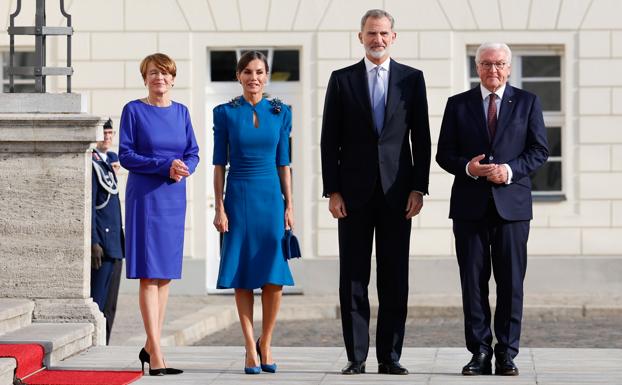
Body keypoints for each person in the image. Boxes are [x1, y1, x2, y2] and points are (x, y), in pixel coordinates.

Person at [320, 9, 431, 376]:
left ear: (393, 37)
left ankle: (390, 356)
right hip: (352, 195)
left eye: (383, 33)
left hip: (399, 194)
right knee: (353, 276)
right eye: (371, 33)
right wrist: (332, 191)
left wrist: (419, 187)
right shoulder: (342, 80)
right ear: (360, 37)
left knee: (394, 276)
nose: (377, 39)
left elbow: (422, 138)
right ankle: (356, 356)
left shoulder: (412, 80)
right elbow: (328, 141)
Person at [436, 42, 549, 376]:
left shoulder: (528, 102)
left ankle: (507, 353)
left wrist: (510, 170)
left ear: (509, 67)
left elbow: (539, 149)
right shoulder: (458, 105)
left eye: (499, 64)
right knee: (472, 282)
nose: (493, 70)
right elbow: (444, 153)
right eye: (486, 64)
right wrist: (468, 168)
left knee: (511, 282)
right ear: (477, 67)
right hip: (469, 207)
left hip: (512, 207)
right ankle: (480, 352)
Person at [212, 50, 295, 375]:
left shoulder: (281, 112)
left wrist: (289, 205)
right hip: (239, 196)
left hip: (271, 198)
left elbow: (284, 163)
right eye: (247, 71)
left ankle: (267, 342)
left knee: (274, 278)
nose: (254, 77)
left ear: (266, 75)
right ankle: (249, 346)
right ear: (239, 76)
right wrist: (219, 206)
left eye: (259, 71)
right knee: (243, 277)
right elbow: (219, 164)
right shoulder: (225, 113)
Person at [119, 53, 200, 376]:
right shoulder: (133, 110)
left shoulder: (181, 112)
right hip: (146, 198)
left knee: (165, 274)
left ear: (173, 78)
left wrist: (185, 168)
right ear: (145, 78)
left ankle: (151, 346)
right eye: (153, 73)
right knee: (149, 274)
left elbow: (192, 152)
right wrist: (164, 165)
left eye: (165, 74)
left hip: (173, 196)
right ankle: (157, 353)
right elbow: (126, 155)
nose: (160, 79)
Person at [91, 118, 123, 345]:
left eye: (111, 133)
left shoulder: (110, 161)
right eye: (104, 133)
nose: (107, 137)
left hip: (115, 244)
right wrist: (93, 240)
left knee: (110, 305)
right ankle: (94, 343)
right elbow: (91, 206)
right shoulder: (92, 165)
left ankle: (106, 343)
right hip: (102, 243)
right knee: (98, 301)